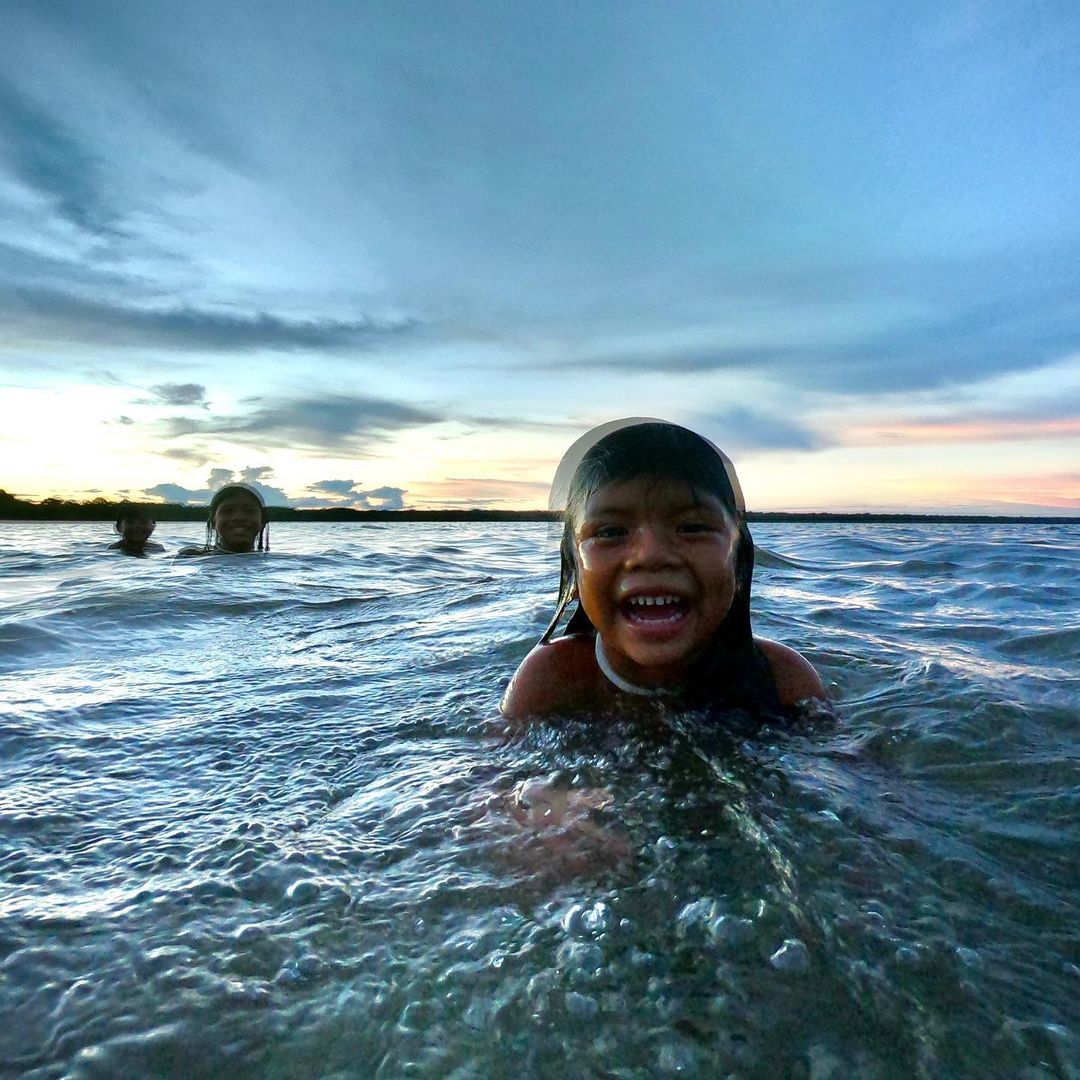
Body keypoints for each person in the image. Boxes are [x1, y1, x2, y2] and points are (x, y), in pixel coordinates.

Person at [501, 420, 826, 723]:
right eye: (611, 532)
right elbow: (498, 779)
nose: (651, 555)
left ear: (738, 564)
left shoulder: (782, 681)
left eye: (692, 527)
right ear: (573, 570)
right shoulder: (551, 680)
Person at [176, 483, 270, 556]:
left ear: (263, 522)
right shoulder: (190, 556)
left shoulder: (273, 563)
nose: (238, 517)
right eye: (228, 511)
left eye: (249, 511)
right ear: (213, 522)